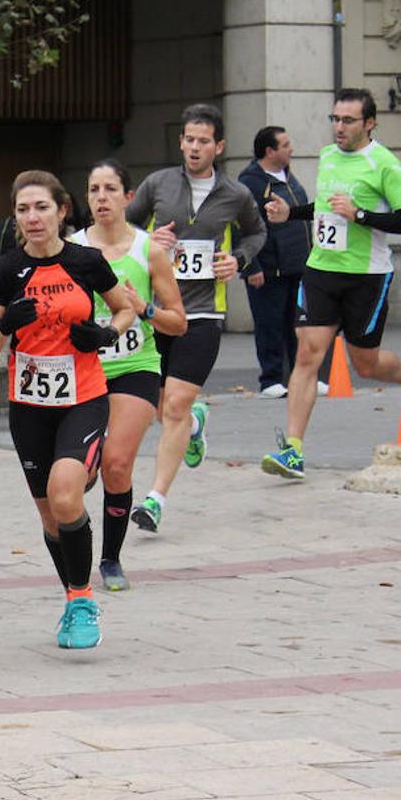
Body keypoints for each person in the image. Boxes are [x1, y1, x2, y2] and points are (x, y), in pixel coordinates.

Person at [0, 170, 135, 648]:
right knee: (51, 518)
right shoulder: (4, 271)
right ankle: (72, 596)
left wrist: (106, 332)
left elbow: (124, 308)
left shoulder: (86, 262)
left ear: (62, 211)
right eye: (23, 209)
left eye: (41, 207)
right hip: (29, 407)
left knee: (66, 495)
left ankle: (83, 600)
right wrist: (6, 327)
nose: (32, 217)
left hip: (83, 397)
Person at [262, 87, 401, 479]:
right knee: (306, 355)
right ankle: (293, 451)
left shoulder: (385, 164)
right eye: (335, 119)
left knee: (364, 364)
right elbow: (325, 208)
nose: (339, 127)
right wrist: (291, 213)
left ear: (369, 123)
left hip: (367, 276)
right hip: (321, 269)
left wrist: (361, 215)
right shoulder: (327, 156)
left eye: (348, 120)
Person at [124, 104, 266, 533]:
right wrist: (149, 238)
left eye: (203, 140)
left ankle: (155, 499)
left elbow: (258, 232)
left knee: (176, 406)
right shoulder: (158, 184)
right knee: (160, 409)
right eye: (189, 139)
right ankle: (196, 424)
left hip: (203, 312)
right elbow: (121, 229)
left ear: (218, 146)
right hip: (158, 312)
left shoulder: (235, 194)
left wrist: (237, 259)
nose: (194, 147)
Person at [68, 160, 186, 591]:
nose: (101, 197)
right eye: (93, 189)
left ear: (127, 197)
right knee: (75, 478)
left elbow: (178, 322)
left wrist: (145, 309)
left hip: (135, 366)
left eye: (110, 189)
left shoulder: (147, 250)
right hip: (83, 369)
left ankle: (111, 559)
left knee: (117, 465)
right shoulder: (72, 248)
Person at [238, 126, 313, 399]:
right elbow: (240, 226)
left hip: (297, 265)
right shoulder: (250, 182)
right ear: (269, 151)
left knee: (298, 325)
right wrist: (251, 266)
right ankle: (270, 378)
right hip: (269, 269)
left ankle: (299, 377)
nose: (291, 149)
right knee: (269, 324)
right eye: (285, 144)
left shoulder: (289, 177)